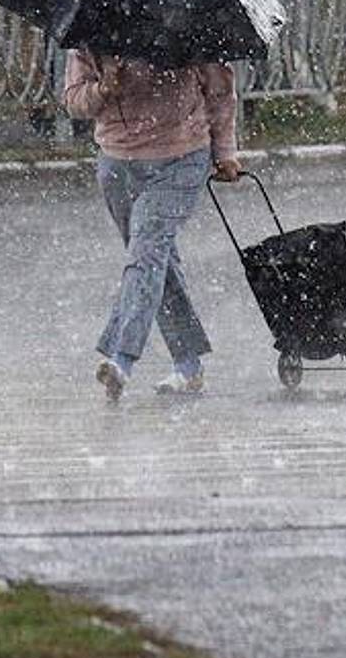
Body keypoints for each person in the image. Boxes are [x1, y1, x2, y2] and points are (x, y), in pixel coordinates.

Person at [63, 48, 241, 401]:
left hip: (182, 159)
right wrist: (104, 89)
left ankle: (120, 359)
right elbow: (73, 101)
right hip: (117, 166)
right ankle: (188, 365)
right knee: (155, 260)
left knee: (146, 254)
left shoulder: (190, 28)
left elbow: (219, 91)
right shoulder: (92, 32)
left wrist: (225, 151)